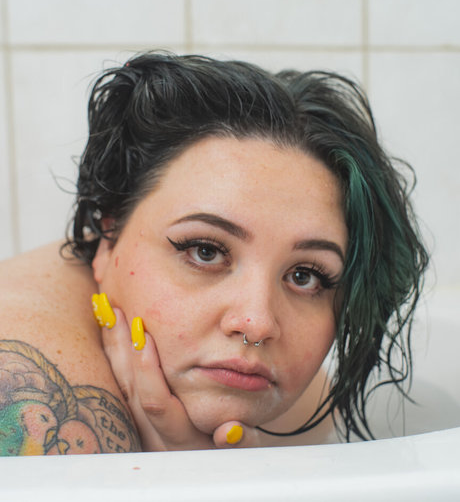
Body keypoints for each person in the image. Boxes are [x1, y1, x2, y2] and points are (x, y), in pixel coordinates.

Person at [0, 52, 428, 456]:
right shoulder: (30, 387)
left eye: (305, 276)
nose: (257, 324)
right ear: (108, 235)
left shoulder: (304, 400)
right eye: (205, 251)